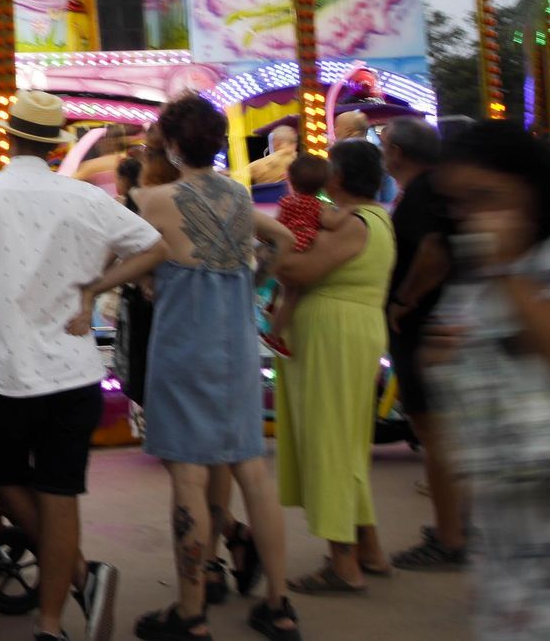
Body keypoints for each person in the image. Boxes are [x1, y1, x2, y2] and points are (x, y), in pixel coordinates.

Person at [0, 91, 167, 641]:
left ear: (9, 138)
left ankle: (82, 575)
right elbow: (153, 247)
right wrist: (96, 284)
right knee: (61, 495)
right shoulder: (84, 199)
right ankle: (52, 620)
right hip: (72, 373)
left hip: (2, 371)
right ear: (54, 146)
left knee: (7, 482)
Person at [126, 95, 299, 641]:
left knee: (190, 479)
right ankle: (279, 604)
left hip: (184, 349)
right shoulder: (239, 196)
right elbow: (285, 240)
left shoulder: (153, 199)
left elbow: (133, 258)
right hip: (237, 347)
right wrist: (255, 280)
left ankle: (191, 610)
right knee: (253, 473)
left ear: (173, 145)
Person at [426, 122, 550, 639]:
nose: (472, 216)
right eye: (460, 203)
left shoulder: (548, 259)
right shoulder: (476, 280)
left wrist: (509, 272)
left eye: (485, 196)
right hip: (508, 537)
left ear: (531, 187)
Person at [275, 140, 396, 593]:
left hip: (332, 332)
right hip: (353, 327)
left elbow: (299, 272)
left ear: (338, 179)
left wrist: (272, 247)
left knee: (328, 441)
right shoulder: (378, 218)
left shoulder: (354, 223)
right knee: (344, 443)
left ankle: (342, 563)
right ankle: (369, 549)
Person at [379, 118, 466, 570]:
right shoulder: (433, 189)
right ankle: (457, 525)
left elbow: (434, 249)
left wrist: (404, 300)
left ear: (399, 152)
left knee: (436, 437)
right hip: (433, 324)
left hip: (424, 326)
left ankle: (451, 538)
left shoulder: (422, 195)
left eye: (384, 141)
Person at [263, 154, 348, 355]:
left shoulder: (286, 201)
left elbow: (278, 222)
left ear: (290, 180)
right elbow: (331, 223)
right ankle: (274, 336)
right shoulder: (318, 206)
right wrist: (345, 212)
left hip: (282, 247)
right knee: (292, 295)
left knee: (279, 283)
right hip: (299, 249)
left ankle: (271, 305)